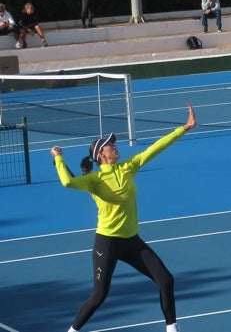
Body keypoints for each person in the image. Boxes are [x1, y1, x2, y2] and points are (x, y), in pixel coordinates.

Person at [50, 104, 197, 332]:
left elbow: (156, 148)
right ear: (101, 155)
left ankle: (172, 329)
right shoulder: (94, 180)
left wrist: (184, 128)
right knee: (99, 296)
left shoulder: (129, 167)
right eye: (110, 145)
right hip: (107, 242)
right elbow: (68, 182)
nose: (115, 146)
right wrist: (59, 158)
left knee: (166, 280)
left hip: (131, 241)